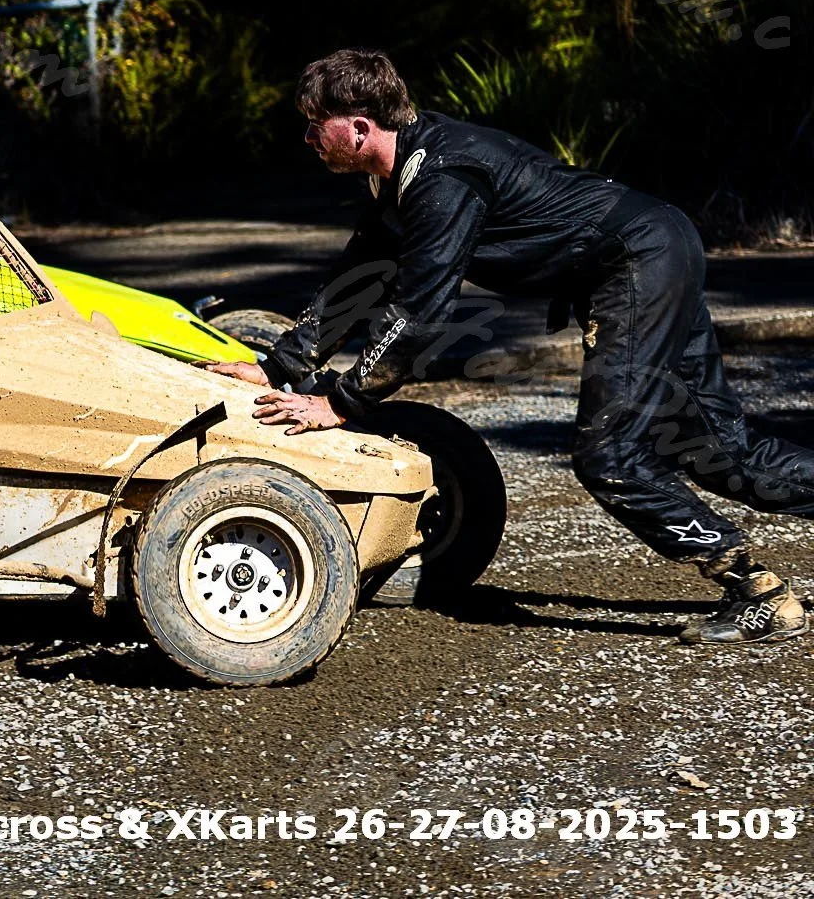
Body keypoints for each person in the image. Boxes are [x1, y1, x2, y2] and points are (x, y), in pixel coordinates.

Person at [199, 48, 814, 645]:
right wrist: (275, 367)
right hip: (653, 249)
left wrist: (342, 403)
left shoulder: (440, 177)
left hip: (638, 263)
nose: (307, 139)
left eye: (314, 127)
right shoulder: (400, 175)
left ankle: (757, 592)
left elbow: (421, 314)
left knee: (611, 457)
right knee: (724, 453)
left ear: (358, 128)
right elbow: (357, 280)